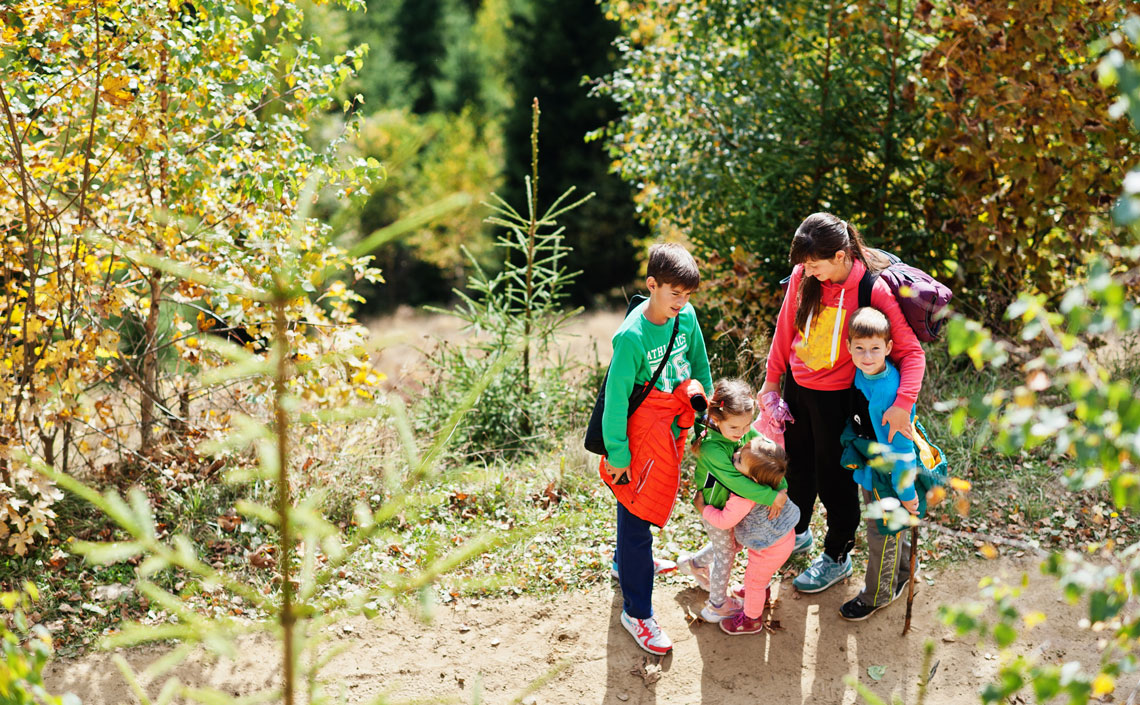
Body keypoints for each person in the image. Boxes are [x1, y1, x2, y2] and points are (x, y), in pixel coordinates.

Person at [760, 213, 926, 594]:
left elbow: (911, 353)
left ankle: (837, 555)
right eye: (804, 265)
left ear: (840, 255)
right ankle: (797, 533)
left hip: (840, 399)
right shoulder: (805, 277)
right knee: (797, 468)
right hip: (797, 391)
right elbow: (786, 326)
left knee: (836, 479)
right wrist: (772, 380)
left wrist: (903, 403)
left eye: (815, 264)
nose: (808, 271)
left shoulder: (872, 289)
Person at [599, 242, 713, 656]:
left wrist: (705, 416)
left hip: (671, 430)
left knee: (636, 518)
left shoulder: (687, 317)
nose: (681, 303)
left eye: (687, 296)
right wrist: (619, 456)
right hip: (637, 439)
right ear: (652, 285)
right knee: (636, 516)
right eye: (674, 294)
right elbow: (615, 402)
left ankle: (623, 566)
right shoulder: (631, 337)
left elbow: (700, 366)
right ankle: (638, 612)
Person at [840, 307, 942, 620]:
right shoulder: (864, 372)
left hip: (892, 476)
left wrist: (908, 493)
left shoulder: (886, 392)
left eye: (874, 348)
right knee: (896, 528)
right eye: (859, 348)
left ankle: (877, 595)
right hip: (877, 468)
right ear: (849, 348)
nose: (867, 356)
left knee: (881, 532)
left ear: (888, 348)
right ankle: (904, 574)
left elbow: (901, 451)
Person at [677, 378, 789, 624]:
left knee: (730, 546)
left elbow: (765, 450)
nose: (742, 433)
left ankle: (693, 564)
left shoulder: (740, 427)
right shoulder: (712, 449)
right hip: (715, 507)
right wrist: (772, 496)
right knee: (726, 554)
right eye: (736, 428)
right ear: (717, 419)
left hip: (732, 506)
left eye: (747, 425)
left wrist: (782, 487)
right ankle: (716, 605)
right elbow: (736, 482)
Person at [693, 435, 799, 635]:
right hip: (783, 537)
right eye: (740, 452)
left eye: (740, 460)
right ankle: (762, 594)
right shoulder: (771, 480)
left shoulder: (743, 497)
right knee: (761, 578)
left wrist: (704, 509)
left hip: (769, 548)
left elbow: (725, 521)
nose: (735, 455)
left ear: (753, 478)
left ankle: (751, 620)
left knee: (753, 582)